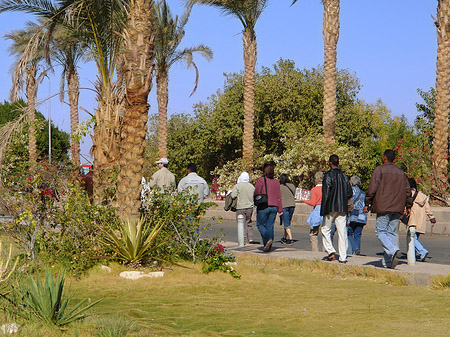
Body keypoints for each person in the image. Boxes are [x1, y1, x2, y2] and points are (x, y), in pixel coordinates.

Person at [364, 149, 413, 269]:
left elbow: (372, 188)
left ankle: (393, 250)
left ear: (384, 157)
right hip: (397, 207)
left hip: (383, 206)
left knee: (380, 231)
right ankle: (389, 262)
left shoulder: (379, 170)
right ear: (394, 159)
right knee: (391, 232)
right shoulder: (401, 172)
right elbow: (408, 190)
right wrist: (408, 206)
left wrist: (367, 202)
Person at [320, 154, 353, 263]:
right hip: (342, 207)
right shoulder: (344, 176)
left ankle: (330, 250)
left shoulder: (328, 176)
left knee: (325, 229)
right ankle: (343, 257)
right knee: (342, 232)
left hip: (330, 207)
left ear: (330, 163)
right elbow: (349, 192)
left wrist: (323, 209)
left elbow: (326, 194)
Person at [405, 177, 436, 262]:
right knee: (415, 238)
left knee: (411, 238)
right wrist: (432, 217)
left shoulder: (408, 195)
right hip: (421, 221)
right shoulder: (422, 196)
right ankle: (413, 255)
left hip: (412, 220)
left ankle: (422, 251)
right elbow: (427, 208)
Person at [254, 163, 283, 252]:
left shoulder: (261, 180)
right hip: (274, 206)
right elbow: (279, 196)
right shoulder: (276, 182)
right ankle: (267, 246)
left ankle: (268, 238)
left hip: (264, 205)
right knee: (270, 226)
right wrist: (280, 209)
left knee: (260, 224)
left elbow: (257, 193)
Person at [231, 172, 255, 245]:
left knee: (242, 224)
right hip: (250, 207)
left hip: (240, 207)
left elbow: (233, 195)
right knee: (249, 222)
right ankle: (250, 238)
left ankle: (244, 240)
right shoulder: (252, 186)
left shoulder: (237, 186)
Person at [304, 172, 324, 252]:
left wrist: (304, 199)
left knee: (313, 233)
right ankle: (325, 251)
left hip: (317, 212)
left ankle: (315, 251)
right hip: (326, 211)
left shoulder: (314, 189)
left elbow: (312, 203)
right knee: (325, 234)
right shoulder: (327, 188)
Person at [347, 176, 367, 255]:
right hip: (362, 216)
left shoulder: (351, 191)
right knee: (357, 235)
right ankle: (357, 253)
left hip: (353, 215)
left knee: (348, 233)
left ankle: (355, 248)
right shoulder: (362, 192)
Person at [279, 174, 296, 245]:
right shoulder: (292, 186)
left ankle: (290, 239)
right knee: (287, 222)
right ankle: (284, 238)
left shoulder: (279, 187)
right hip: (292, 205)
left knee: (286, 223)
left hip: (284, 206)